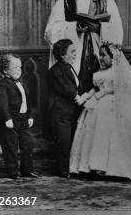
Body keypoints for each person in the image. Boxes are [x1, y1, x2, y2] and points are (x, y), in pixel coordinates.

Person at [70, 44, 131, 185]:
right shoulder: (101, 71)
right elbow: (95, 88)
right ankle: (94, 166)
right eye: (100, 55)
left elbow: (118, 90)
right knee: (96, 135)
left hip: (111, 106)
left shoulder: (118, 72)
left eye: (104, 55)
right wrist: (84, 97)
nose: (101, 58)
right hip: (96, 106)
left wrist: (99, 96)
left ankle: (111, 168)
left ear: (113, 57)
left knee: (110, 135)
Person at [44, 0, 123, 93]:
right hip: (76, 48)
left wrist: (101, 28)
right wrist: (74, 28)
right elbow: (50, 31)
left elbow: (117, 31)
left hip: (98, 50)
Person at [0, 54, 38, 179]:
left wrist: (29, 116)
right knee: (10, 147)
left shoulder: (21, 84)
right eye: (15, 67)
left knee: (27, 144)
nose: (19, 70)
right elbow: (2, 104)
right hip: (10, 120)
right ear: (5, 70)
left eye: (20, 67)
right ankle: (12, 172)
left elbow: (27, 102)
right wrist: (7, 119)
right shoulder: (2, 86)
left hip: (22, 119)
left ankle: (27, 170)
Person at [47, 39, 82, 178]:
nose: (75, 54)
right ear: (62, 55)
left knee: (69, 142)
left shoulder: (69, 67)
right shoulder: (55, 71)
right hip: (60, 114)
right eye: (72, 52)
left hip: (70, 112)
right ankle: (64, 172)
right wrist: (84, 98)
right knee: (63, 143)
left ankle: (68, 169)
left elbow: (77, 86)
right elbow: (69, 90)